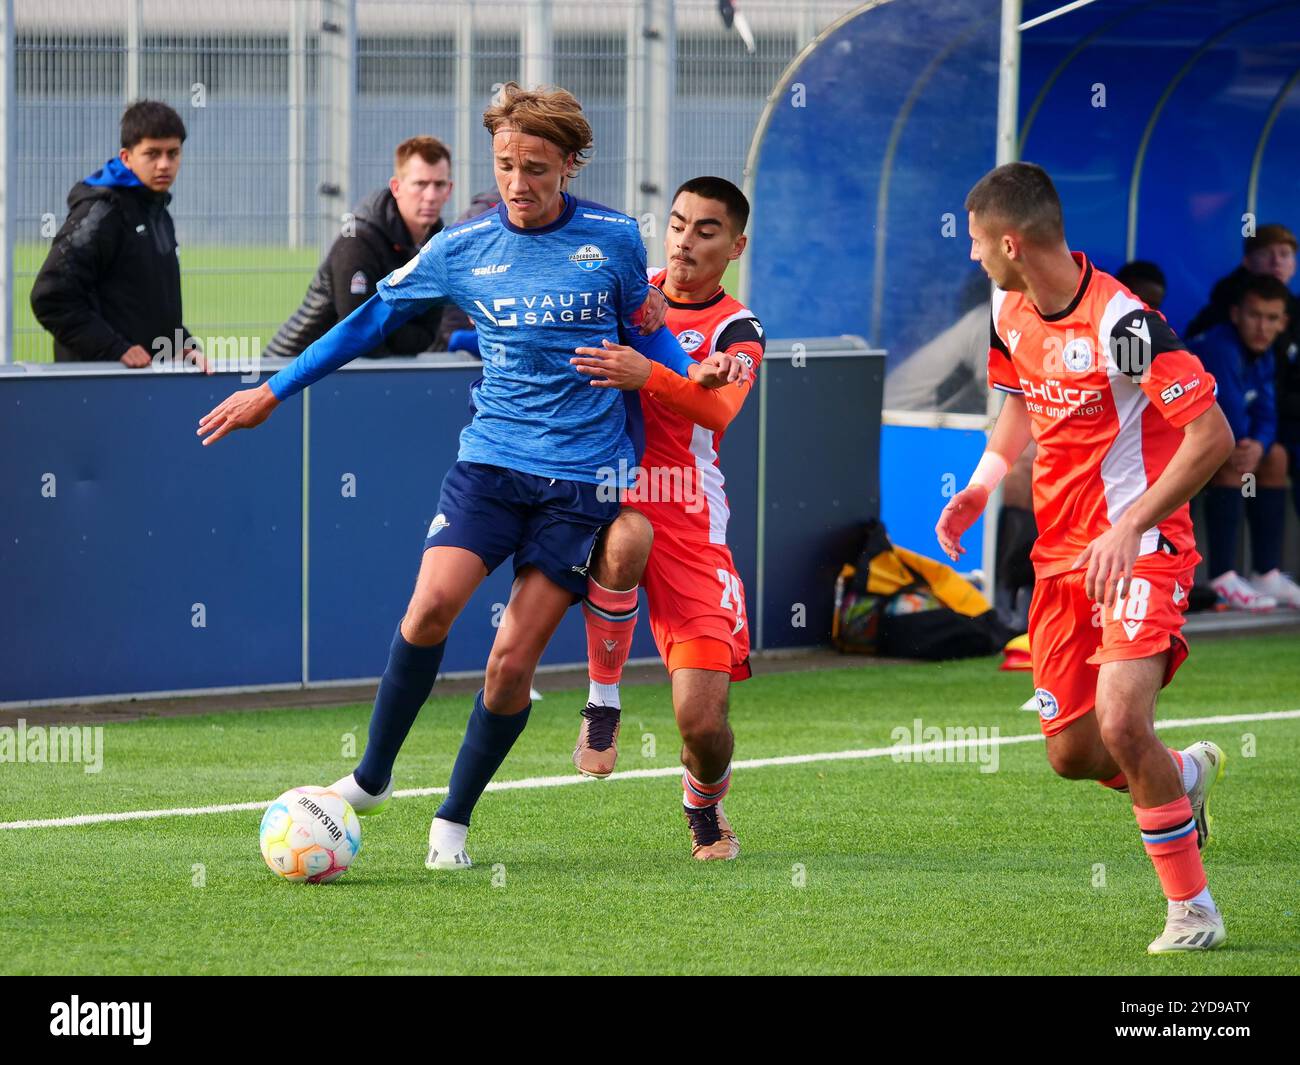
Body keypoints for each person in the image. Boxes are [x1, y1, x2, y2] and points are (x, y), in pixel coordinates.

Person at [196, 82, 741, 872]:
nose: (519, 184)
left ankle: (452, 820)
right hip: (490, 465)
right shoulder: (465, 245)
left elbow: (650, 335)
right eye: (507, 165)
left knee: (510, 663)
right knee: (429, 609)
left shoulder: (617, 242)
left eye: (538, 169)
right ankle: (374, 776)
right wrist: (272, 391)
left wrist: (697, 366)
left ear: (570, 166)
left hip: (580, 484)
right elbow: (367, 321)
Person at [935, 162, 1237, 954]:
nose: (972, 257)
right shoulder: (1009, 307)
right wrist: (983, 485)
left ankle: (1194, 910)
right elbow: (1019, 406)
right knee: (1073, 753)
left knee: (1121, 719)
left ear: (1009, 240)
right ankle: (1181, 775)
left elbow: (1213, 438)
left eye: (974, 242)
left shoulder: (1124, 325)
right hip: (1062, 559)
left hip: (1143, 549)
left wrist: (1134, 521)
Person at [553, 176, 761, 861]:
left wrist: (651, 374)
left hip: (693, 519)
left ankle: (703, 803)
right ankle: (602, 702)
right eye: (676, 224)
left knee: (702, 722)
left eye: (706, 230)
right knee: (625, 536)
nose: (684, 241)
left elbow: (717, 411)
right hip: (616, 491)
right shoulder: (630, 290)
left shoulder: (738, 329)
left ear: (735, 245)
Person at [31, 100, 198, 368]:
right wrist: (113, 348)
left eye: (173, 153)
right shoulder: (100, 213)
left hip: (143, 382)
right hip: (99, 384)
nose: (164, 164)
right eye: (152, 154)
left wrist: (183, 345)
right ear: (126, 157)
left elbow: (147, 303)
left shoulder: (157, 211)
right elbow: (51, 297)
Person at [265, 136, 455, 359]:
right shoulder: (357, 241)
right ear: (396, 187)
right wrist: (390, 328)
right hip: (290, 370)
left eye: (439, 184)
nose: (430, 196)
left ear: (449, 190)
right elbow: (359, 336)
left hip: (358, 370)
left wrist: (380, 325)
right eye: (420, 184)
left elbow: (427, 335)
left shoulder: (439, 245)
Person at [1192, 274, 1298, 608]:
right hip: (1169, 448)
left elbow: (1267, 415)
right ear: (1236, 314)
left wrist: (1260, 445)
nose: (1262, 327)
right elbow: (1231, 418)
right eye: (1254, 315)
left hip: (1225, 444)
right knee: (1231, 456)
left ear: (1283, 323)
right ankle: (1222, 576)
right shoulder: (1219, 347)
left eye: (1271, 318)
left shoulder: (1264, 354)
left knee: (1276, 456)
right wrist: (1249, 446)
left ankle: (1265, 573)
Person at [1185, 224, 1296, 341]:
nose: (1276, 261)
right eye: (1265, 253)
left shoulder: (1295, 309)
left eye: (1284, 254)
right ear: (1247, 262)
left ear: (1294, 265)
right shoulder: (1221, 308)